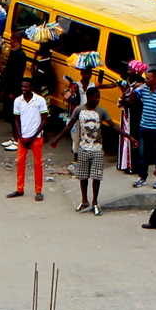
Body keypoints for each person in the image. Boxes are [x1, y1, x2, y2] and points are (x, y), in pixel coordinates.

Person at [68, 84, 106, 215]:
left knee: (96, 177)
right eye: (96, 97)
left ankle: (95, 201)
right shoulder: (79, 110)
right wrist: (57, 138)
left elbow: (113, 125)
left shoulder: (101, 111)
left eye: (99, 97)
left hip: (97, 149)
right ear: (89, 97)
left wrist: (128, 136)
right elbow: (70, 124)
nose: (98, 100)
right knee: (83, 176)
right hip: (83, 148)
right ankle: (84, 200)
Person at [8, 81, 49, 200]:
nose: (24, 88)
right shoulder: (17, 101)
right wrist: (20, 136)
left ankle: (38, 191)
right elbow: (16, 119)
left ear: (31, 87)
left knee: (38, 164)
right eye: (22, 86)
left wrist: (33, 136)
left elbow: (44, 120)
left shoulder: (40, 100)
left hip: (36, 138)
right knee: (20, 163)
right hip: (23, 138)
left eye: (26, 86)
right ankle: (19, 189)